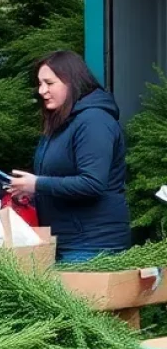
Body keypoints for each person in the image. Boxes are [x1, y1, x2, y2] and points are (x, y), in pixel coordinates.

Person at [9, 51, 130, 263]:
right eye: (39, 83)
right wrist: (28, 192)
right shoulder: (62, 122)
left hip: (93, 245)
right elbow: (59, 178)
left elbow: (92, 183)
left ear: (71, 82)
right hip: (67, 241)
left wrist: (37, 185)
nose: (42, 91)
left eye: (49, 83)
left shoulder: (94, 121)